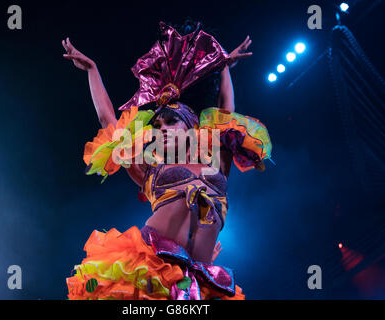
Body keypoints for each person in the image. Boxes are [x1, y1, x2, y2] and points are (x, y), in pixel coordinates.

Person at [62, 21, 272, 300]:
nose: (161, 129)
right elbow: (108, 121)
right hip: (150, 266)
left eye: (171, 122)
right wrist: (92, 71)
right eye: (157, 125)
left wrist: (222, 68)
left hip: (194, 279)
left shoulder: (216, 161)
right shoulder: (150, 168)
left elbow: (226, 110)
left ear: (191, 127)